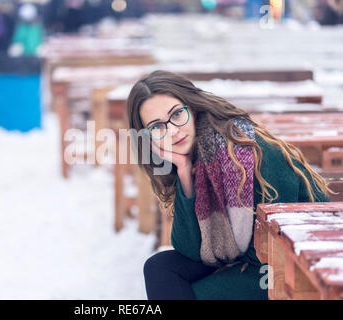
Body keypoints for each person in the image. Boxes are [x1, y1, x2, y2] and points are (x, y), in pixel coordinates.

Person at [126, 70, 333, 300]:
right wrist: (184, 173)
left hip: (292, 265)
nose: (172, 131)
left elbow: (278, 248)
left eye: (176, 114)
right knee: (159, 268)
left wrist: (225, 271)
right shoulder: (195, 159)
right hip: (248, 258)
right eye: (157, 127)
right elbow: (189, 250)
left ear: (192, 107)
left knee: (192, 295)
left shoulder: (245, 153)